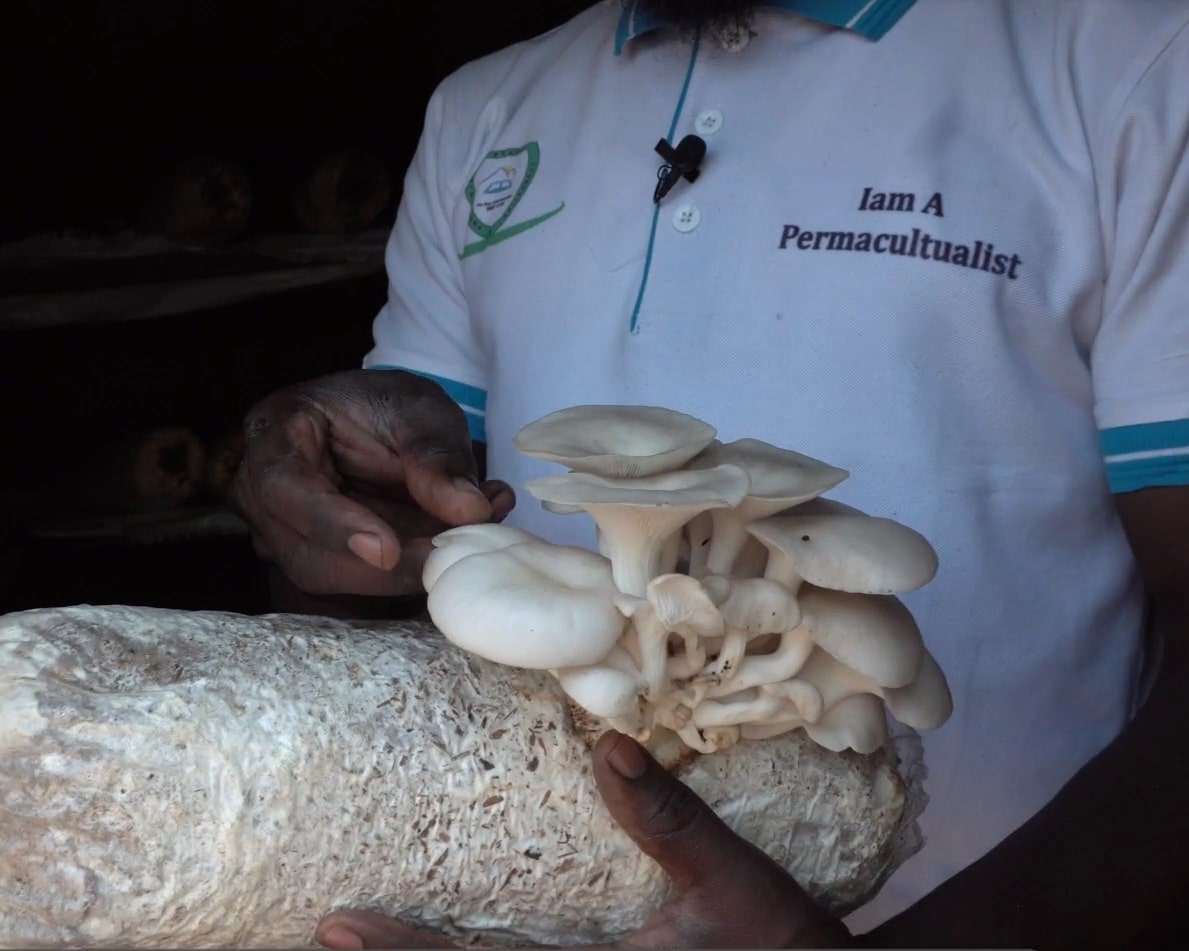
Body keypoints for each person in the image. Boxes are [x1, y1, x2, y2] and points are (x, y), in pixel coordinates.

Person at [230, 0, 1189, 946]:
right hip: (534, 906)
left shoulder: (1130, 62)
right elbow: (409, 564)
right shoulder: (487, 108)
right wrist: (331, 506)